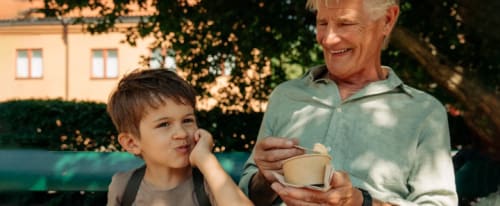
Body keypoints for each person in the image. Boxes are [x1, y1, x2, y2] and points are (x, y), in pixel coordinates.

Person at [238, 0, 458, 205]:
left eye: (346, 23)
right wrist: (264, 178)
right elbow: (245, 198)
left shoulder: (425, 112)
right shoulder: (285, 96)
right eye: (322, 23)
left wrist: (362, 202)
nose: (328, 38)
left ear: (388, 20)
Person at [106, 69, 253, 206]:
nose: (182, 133)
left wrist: (205, 159)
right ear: (132, 143)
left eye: (187, 120)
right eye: (164, 124)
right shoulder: (124, 187)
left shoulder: (209, 183)